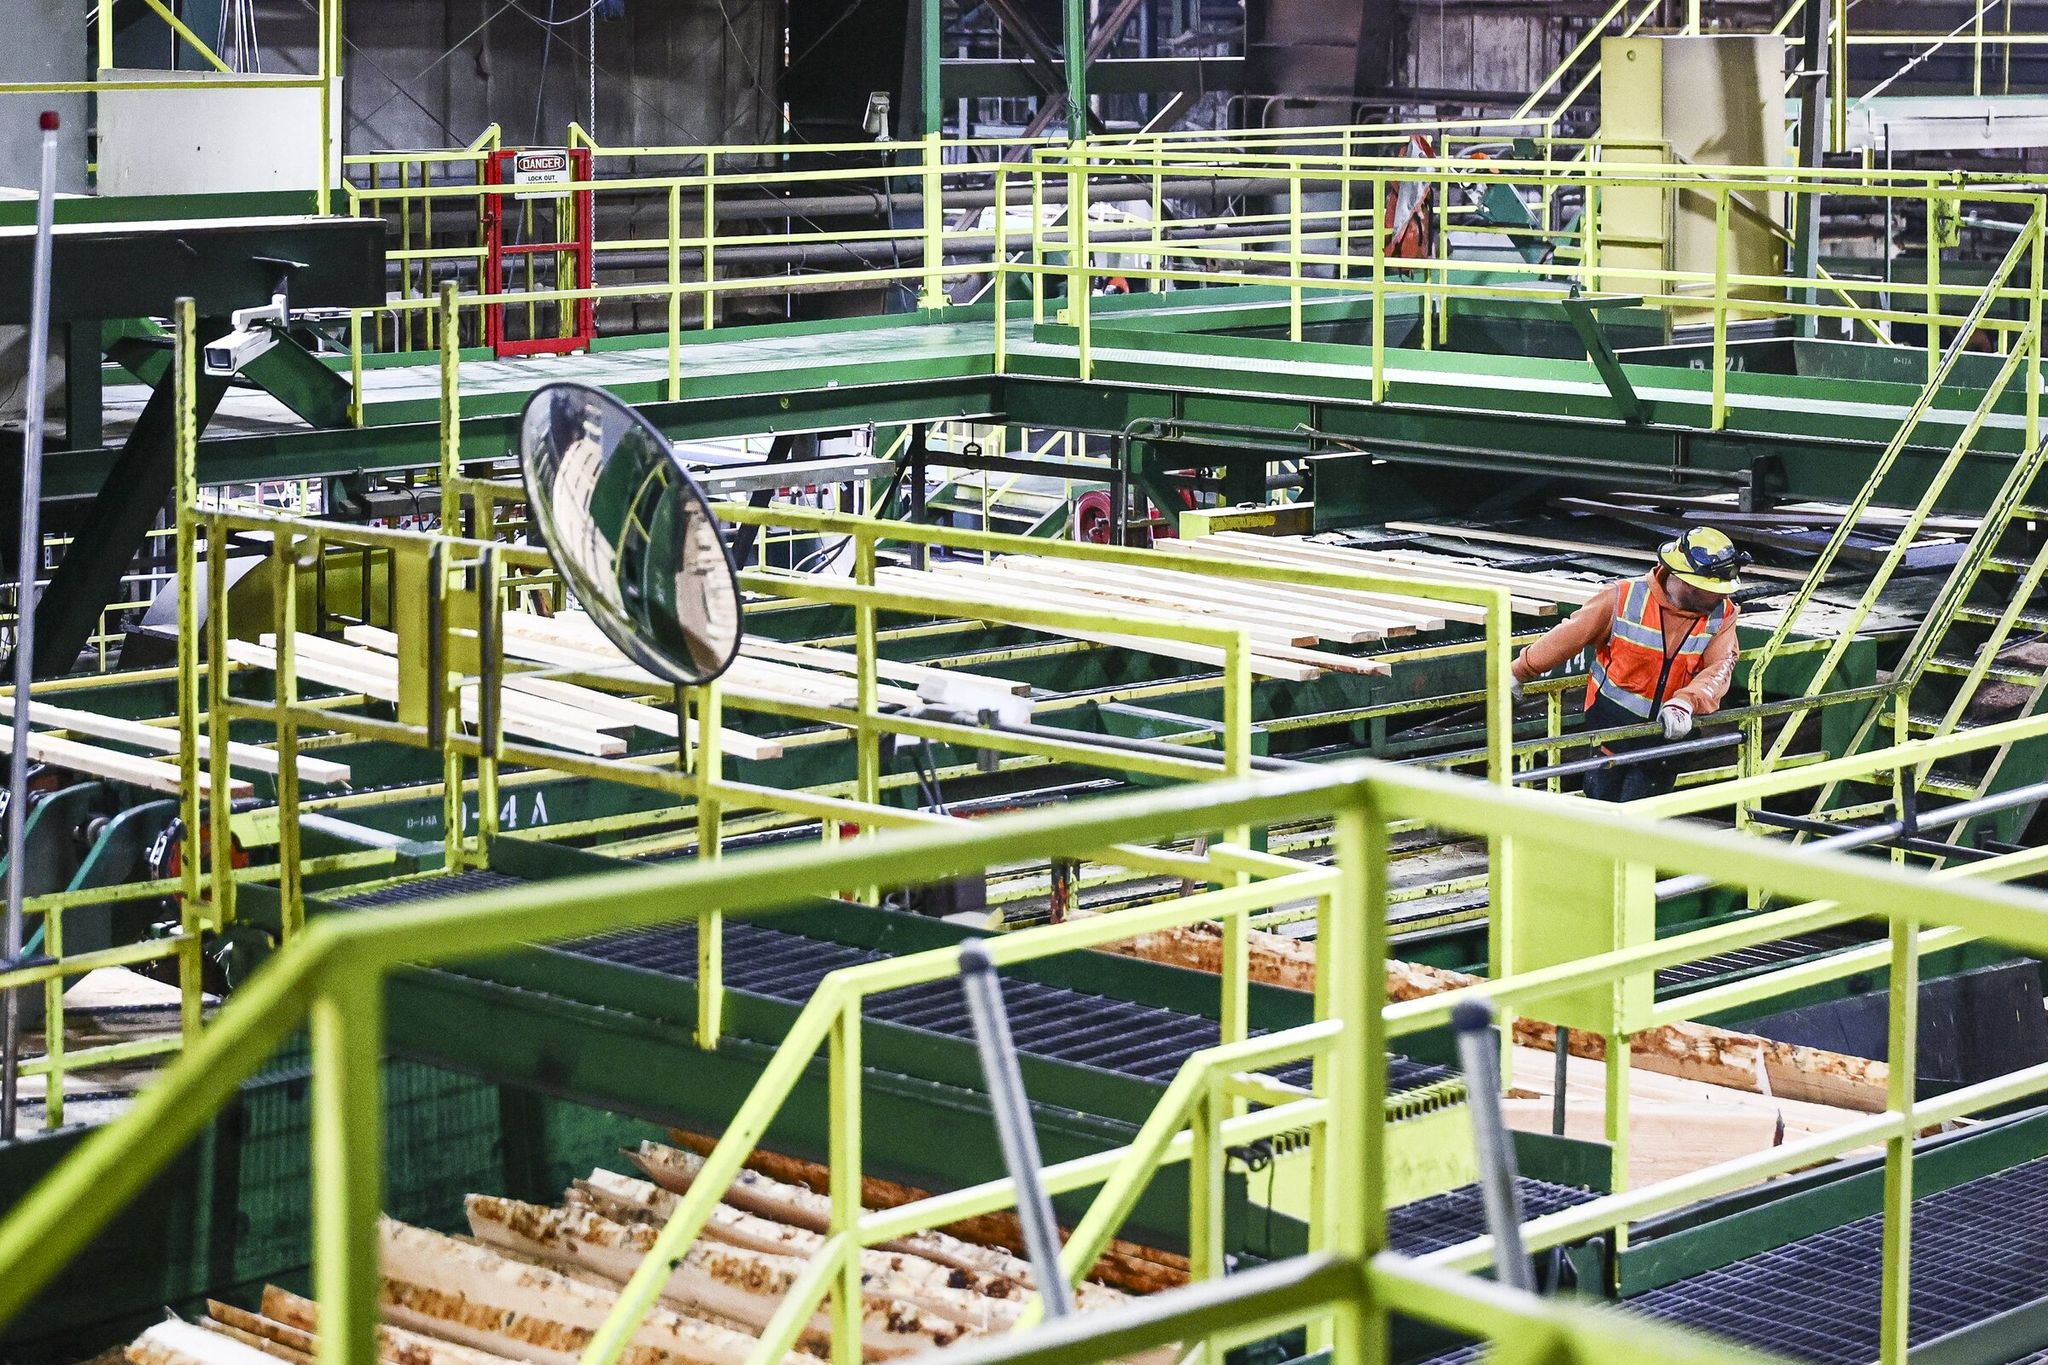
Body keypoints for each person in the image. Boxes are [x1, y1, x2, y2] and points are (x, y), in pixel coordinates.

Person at [1511, 527, 1748, 802]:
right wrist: (1518, 671)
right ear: (1687, 581)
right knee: (1602, 816)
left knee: (1641, 825)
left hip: (1664, 742)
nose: (1723, 597)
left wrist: (1686, 702)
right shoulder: (1622, 598)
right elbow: (1567, 637)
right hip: (1611, 734)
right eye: (1715, 590)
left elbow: (1720, 666)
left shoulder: (1722, 614)